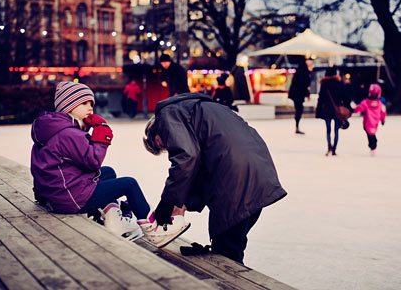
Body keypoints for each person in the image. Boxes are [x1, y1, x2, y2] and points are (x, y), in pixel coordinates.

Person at [30, 81, 189, 247]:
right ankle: (153, 229)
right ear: (68, 106)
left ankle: (113, 221)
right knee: (129, 184)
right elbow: (92, 160)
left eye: (91, 103)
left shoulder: (52, 129)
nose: (90, 108)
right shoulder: (69, 134)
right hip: (71, 198)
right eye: (84, 103)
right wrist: (101, 133)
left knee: (108, 172)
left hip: (59, 193)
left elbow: (41, 166)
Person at [142, 93, 287, 263]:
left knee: (227, 254)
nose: (167, 146)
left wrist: (166, 203)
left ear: (155, 130)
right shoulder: (202, 109)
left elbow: (187, 158)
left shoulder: (167, 116)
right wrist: (184, 203)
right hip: (259, 173)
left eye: (161, 143)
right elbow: (202, 165)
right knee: (231, 243)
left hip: (235, 181)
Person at [315, 67, 352, 156]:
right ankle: (334, 149)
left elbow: (320, 99)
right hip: (337, 110)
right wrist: (348, 108)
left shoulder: (324, 84)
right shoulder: (339, 83)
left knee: (328, 129)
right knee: (336, 130)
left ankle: (329, 147)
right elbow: (345, 97)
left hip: (327, 110)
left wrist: (318, 111)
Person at [353, 84, 387, 156]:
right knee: (372, 135)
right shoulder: (380, 104)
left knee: (370, 135)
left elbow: (359, 108)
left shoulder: (365, 103)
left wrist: (352, 110)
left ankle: (372, 146)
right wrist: (383, 120)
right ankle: (373, 146)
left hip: (367, 123)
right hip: (375, 123)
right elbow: (383, 112)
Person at [288, 59, 314, 134]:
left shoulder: (300, 71)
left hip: (296, 94)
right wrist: (307, 94)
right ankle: (297, 126)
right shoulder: (304, 73)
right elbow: (303, 85)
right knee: (299, 109)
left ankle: (297, 126)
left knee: (299, 109)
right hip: (298, 95)